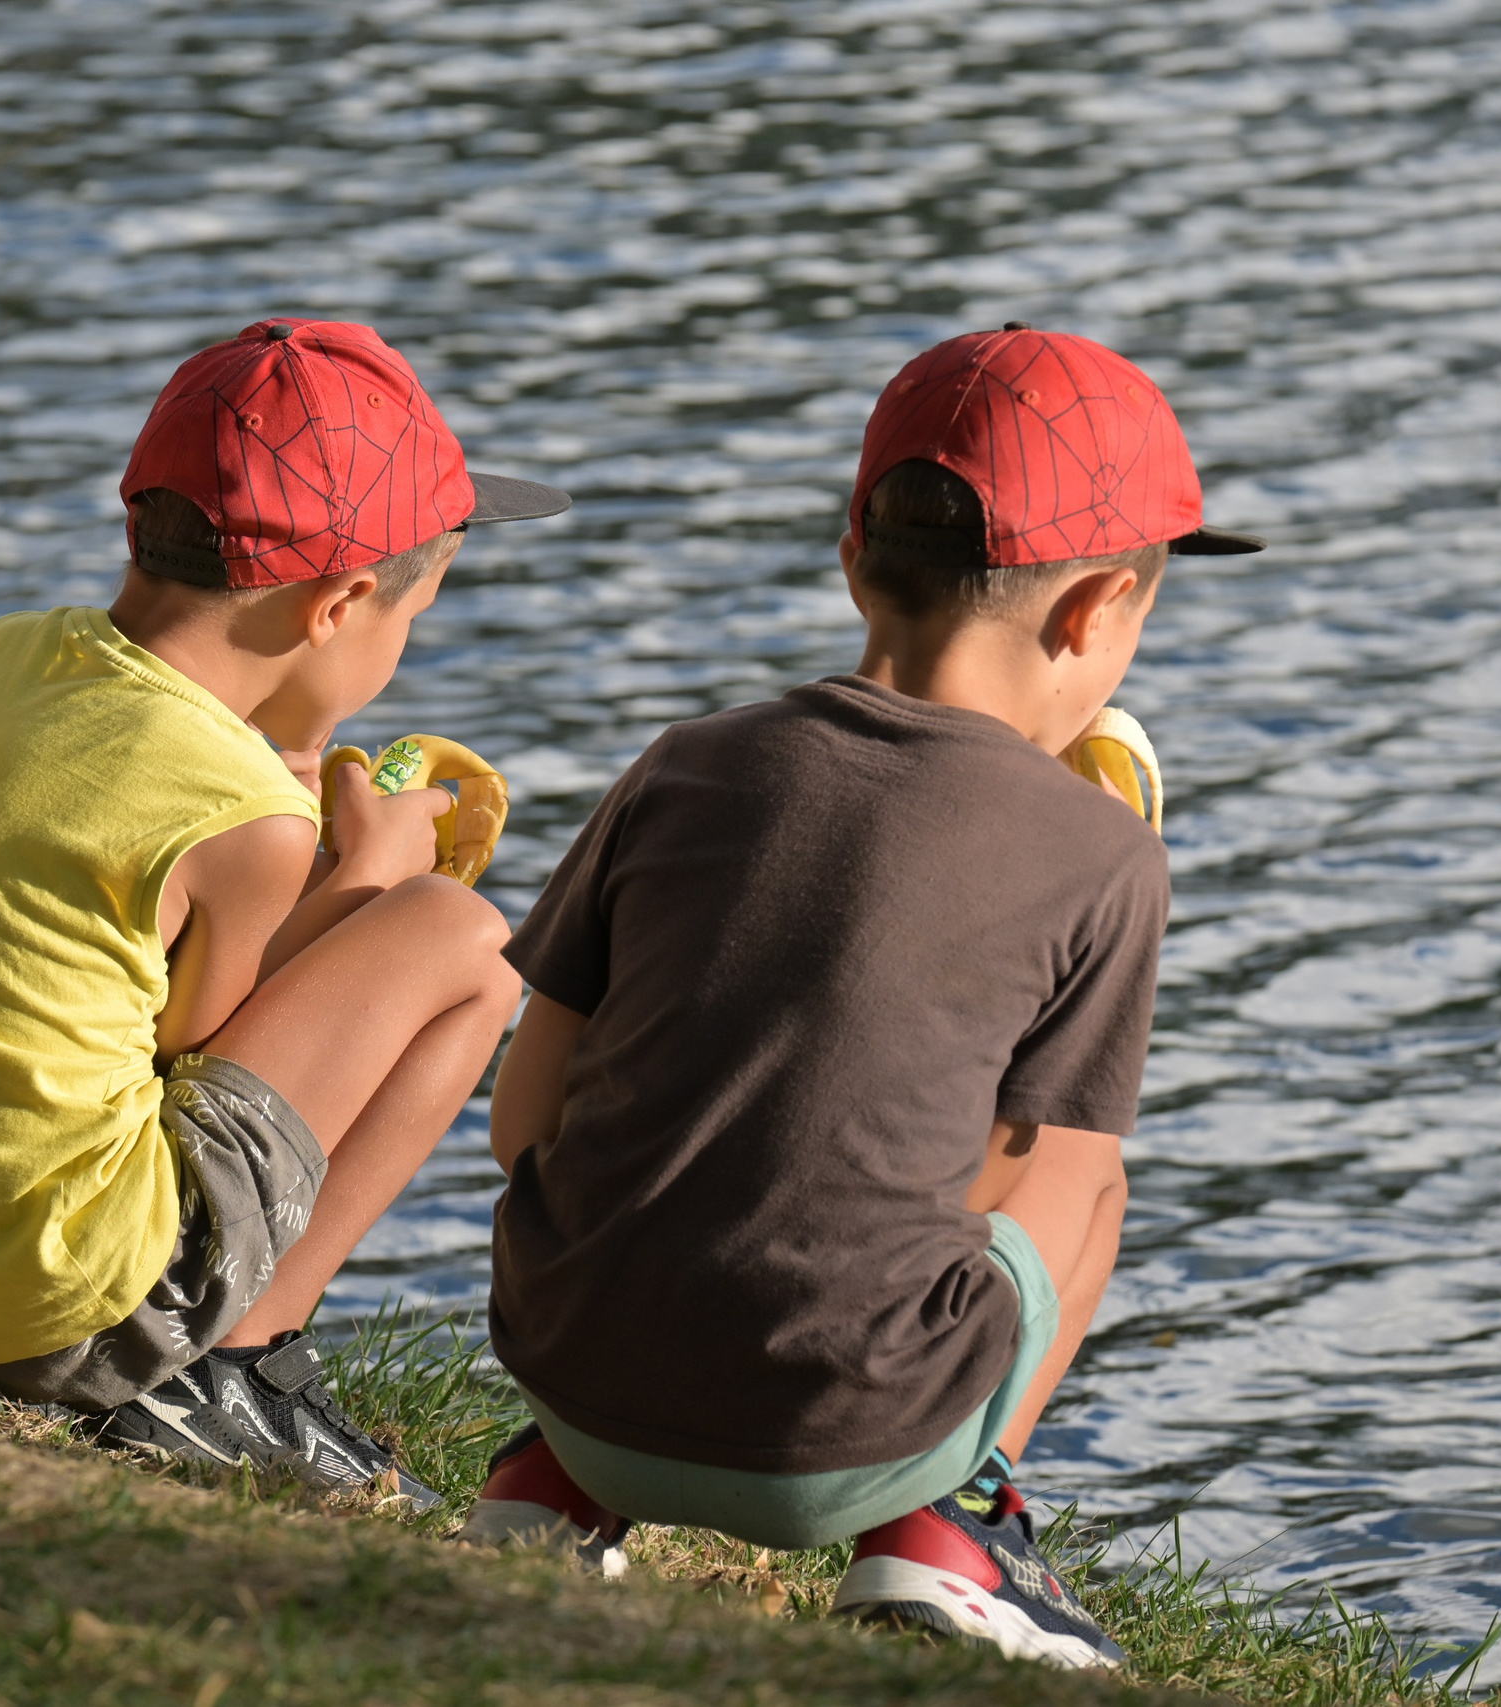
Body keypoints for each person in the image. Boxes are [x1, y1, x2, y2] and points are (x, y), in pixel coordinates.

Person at [462, 326, 1265, 1666]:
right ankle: (955, 1527)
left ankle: (554, 1483)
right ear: (1092, 610)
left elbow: (520, 1123)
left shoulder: (684, 764)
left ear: (855, 565)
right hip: (839, 1444)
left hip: (577, 1379)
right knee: (1095, 1175)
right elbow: (1020, 1187)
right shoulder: (1104, 853)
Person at [0, 318, 567, 1504]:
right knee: (462, 946)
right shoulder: (241, 821)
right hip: (55, 1315)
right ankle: (232, 1369)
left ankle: (218, 1366)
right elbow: (196, 1060)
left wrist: (295, 785)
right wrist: (369, 880)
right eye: (410, 616)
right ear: (342, 601)